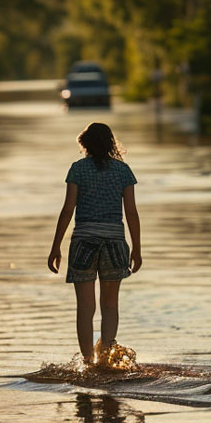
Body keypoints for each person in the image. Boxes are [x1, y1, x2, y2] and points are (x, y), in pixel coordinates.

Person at [48, 122, 141, 366]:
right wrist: (137, 248)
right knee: (110, 305)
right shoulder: (123, 171)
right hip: (114, 242)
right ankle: (106, 358)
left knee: (85, 307)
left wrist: (56, 246)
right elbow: (131, 213)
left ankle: (88, 361)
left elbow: (68, 209)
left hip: (83, 242)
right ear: (111, 143)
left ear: (85, 144)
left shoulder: (77, 169)